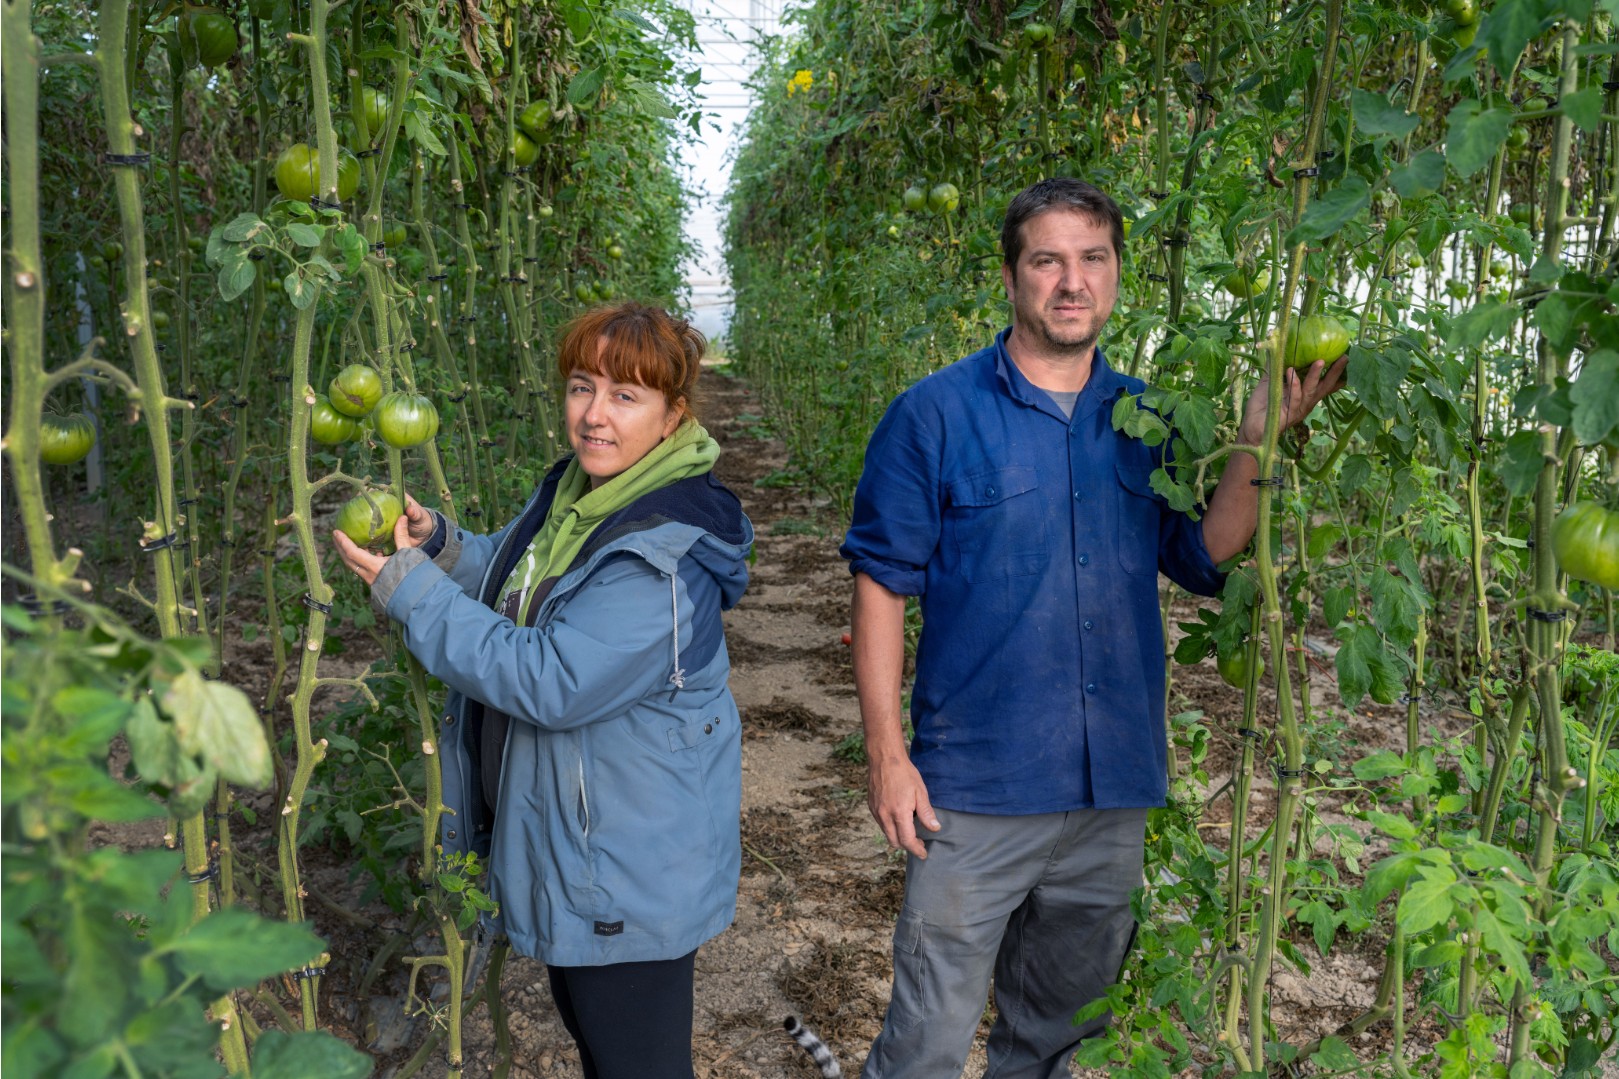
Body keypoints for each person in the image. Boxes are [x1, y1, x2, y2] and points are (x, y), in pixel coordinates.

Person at [841, 178, 1346, 1079]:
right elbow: (881, 583)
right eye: (1047, 260)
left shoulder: (1145, 418)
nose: (1070, 281)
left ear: (1115, 276)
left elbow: (1203, 553)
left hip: (1110, 785)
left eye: (1092, 259)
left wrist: (1255, 440)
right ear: (1010, 278)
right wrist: (886, 752)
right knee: (924, 1038)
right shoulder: (936, 414)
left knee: (1055, 1035)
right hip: (976, 787)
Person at [334, 301, 753, 1079]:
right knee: (603, 1050)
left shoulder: (660, 554)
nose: (595, 414)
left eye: (626, 397)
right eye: (581, 385)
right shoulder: (584, 491)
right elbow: (528, 579)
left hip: (626, 871)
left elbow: (551, 677)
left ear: (672, 416)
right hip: (585, 853)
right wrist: (446, 551)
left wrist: (412, 594)